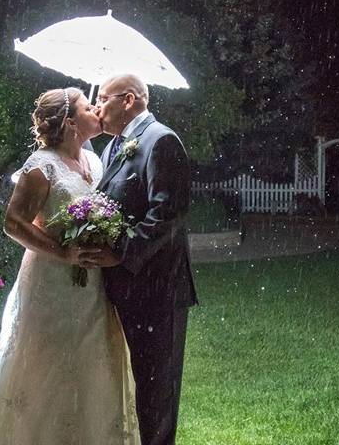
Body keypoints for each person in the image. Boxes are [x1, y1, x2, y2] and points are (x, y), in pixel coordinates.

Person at [0, 87, 141, 445]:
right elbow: (14, 223)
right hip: (50, 282)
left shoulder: (96, 163)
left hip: (92, 287)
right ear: (69, 122)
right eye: (87, 106)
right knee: (45, 368)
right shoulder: (41, 166)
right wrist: (63, 253)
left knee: (90, 368)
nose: (97, 108)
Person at [81, 73, 198, 445]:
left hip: (157, 290)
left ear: (128, 100)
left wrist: (120, 252)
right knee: (130, 385)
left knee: (156, 389)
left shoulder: (160, 140)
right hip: (123, 289)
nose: (98, 106)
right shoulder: (113, 147)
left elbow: (167, 213)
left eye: (104, 98)